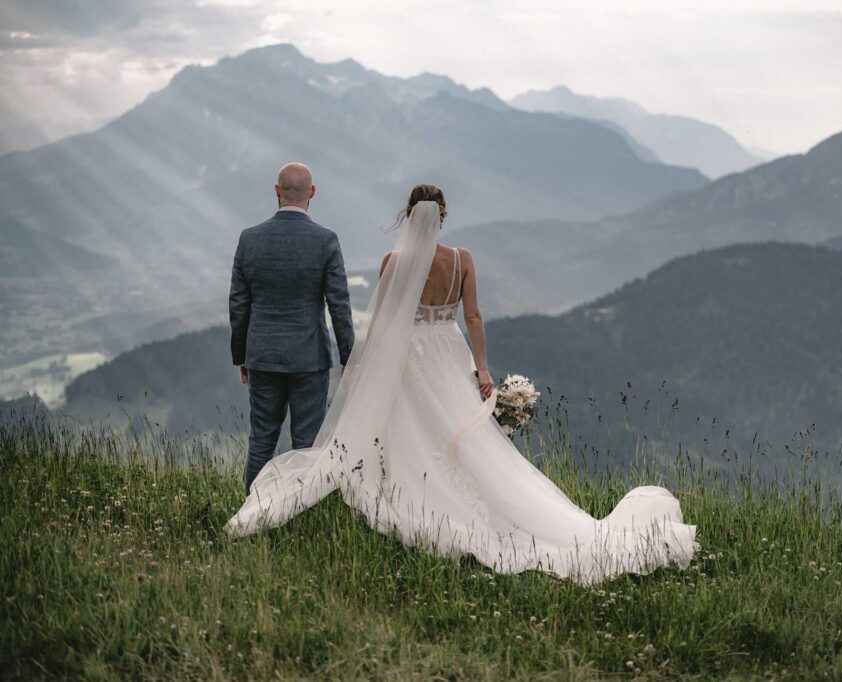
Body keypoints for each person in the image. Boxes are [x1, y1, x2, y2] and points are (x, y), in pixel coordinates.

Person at [225, 185, 698, 584]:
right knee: (456, 434)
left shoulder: (394, 261)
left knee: (405, 430)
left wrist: (363, 367)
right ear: (443, 216)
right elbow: (472, 316)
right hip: (448, 354)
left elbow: (383, 321)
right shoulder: (461, 259)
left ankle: (409, 494)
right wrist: (484, 369)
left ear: (408, 214)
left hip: (408, 357)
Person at [228, 162, 354, 494]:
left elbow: (238, 305)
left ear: (277, 191)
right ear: (312, 192)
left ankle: (253, 511)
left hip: (262, 355)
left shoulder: (249, 239)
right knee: (307, 443)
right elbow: (339, 305)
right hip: (309, 358)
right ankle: (301, 512)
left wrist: (242, 357)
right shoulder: (325, 241)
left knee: (261, 440)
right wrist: (349, 358)